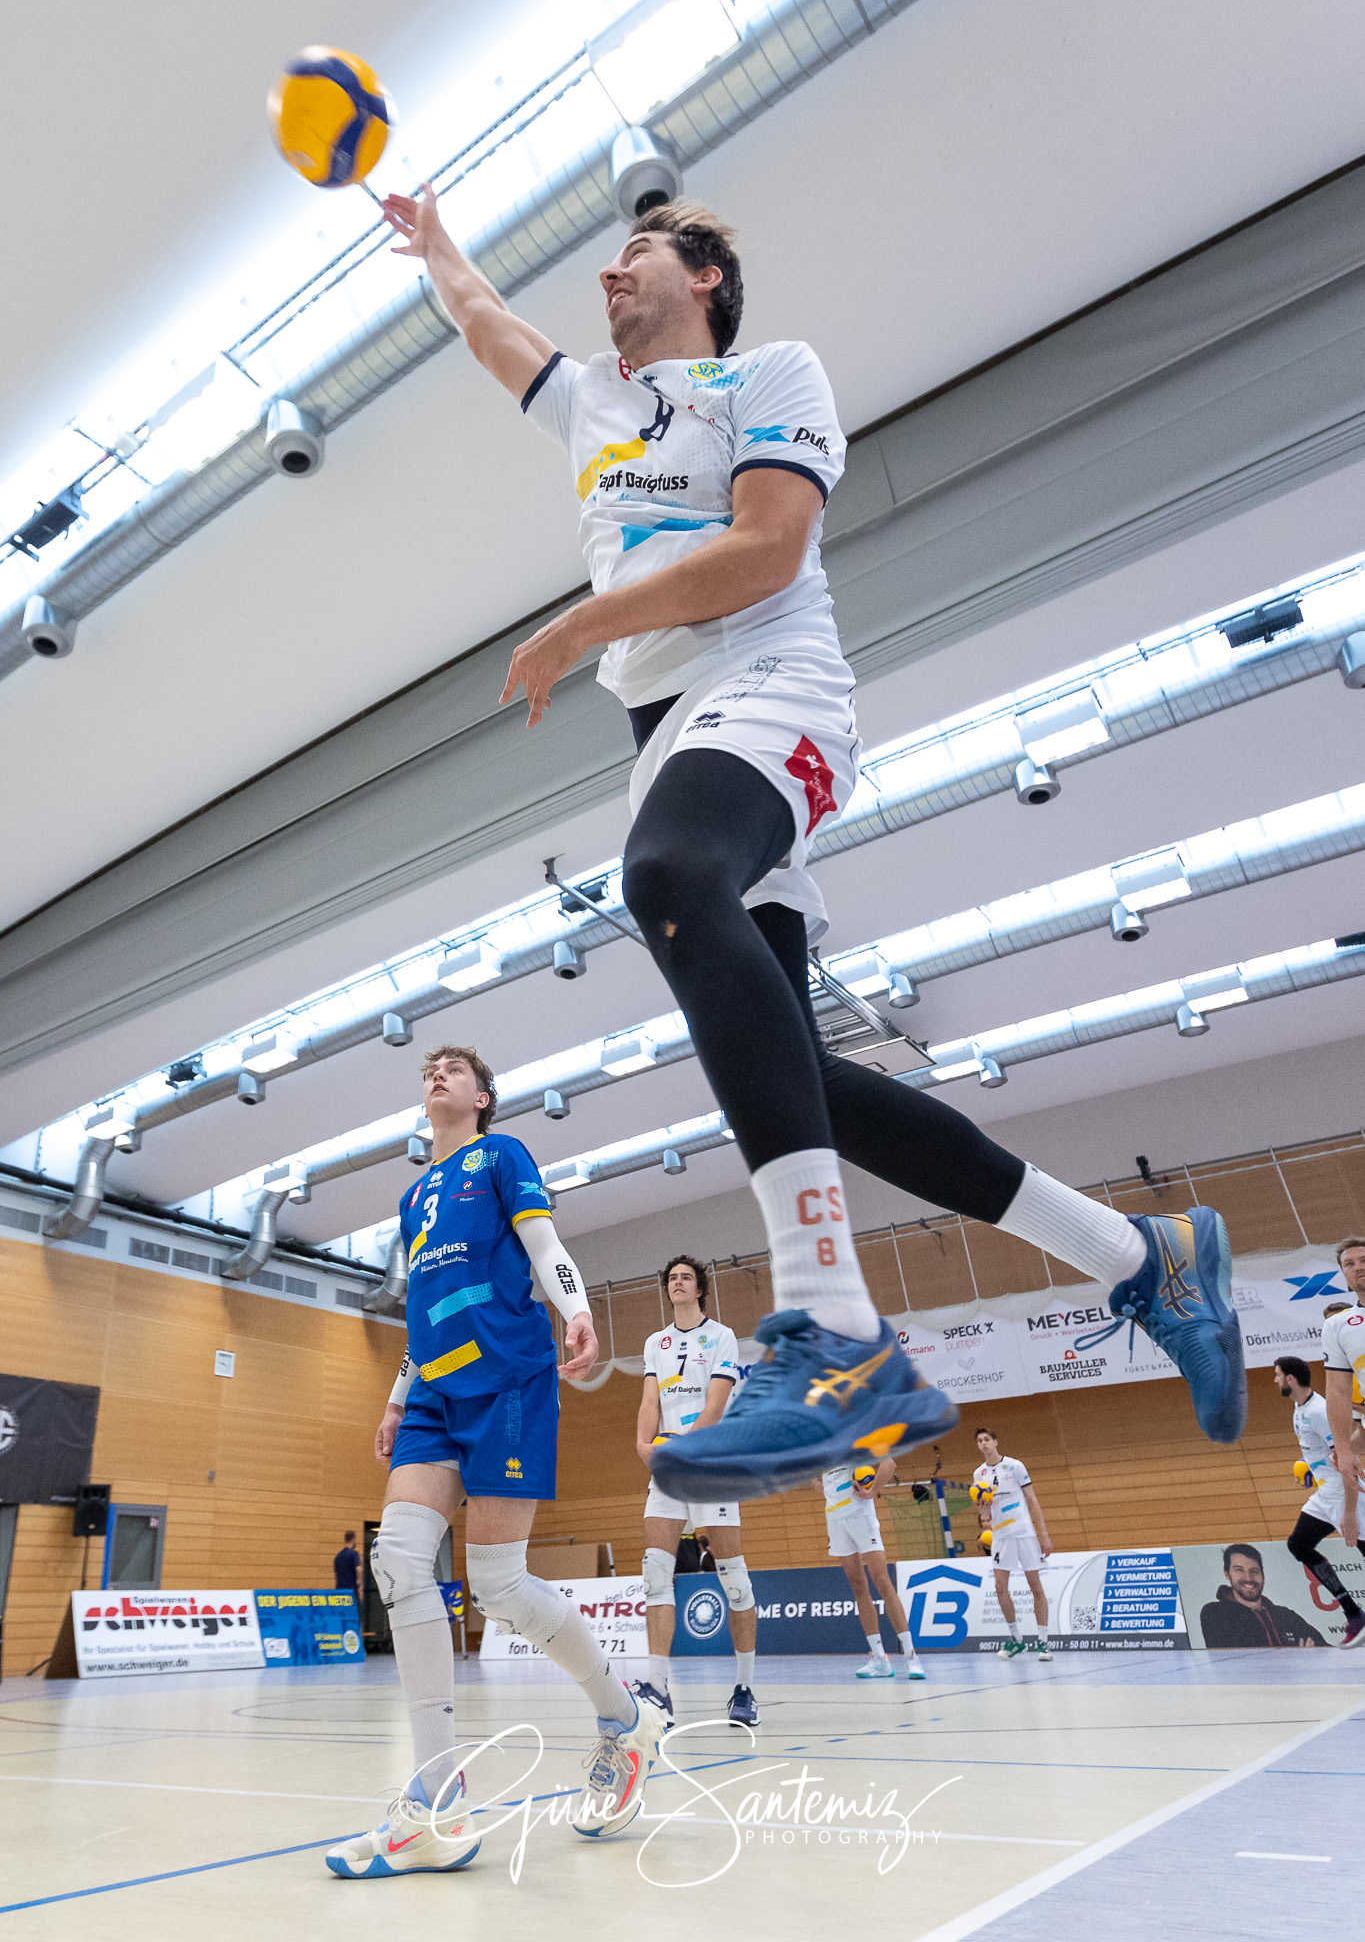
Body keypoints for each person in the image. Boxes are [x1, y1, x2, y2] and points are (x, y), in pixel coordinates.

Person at [380, 182, 1246, 1505]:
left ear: (708, 277)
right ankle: (1142, 1256)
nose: (608, 277)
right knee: (807, 1083)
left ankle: (836, 1328)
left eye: (635, 255)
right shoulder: (591, 409)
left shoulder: (768, 376)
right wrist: (434, 248)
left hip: (770, 679)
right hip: (666, 740)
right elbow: (490, 321)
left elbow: (766, 551)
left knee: (664, 878)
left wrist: (578, 625)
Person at [326, 1045, 666, 1880]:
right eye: (427, 1070)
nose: (434, 1077)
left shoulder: (501, 1155)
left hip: (508, 1378)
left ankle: (624, 1720)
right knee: (399, 1560)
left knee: (499, 1587)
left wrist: (576, 1310)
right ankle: (435, 1801)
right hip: (434, 1397)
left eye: (452, 1070)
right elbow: (422, 1307)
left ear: (481, 1097)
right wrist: (399, 1394)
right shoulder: (412, 1197)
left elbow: (542, 1241)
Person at [633, 1256, 758, 1728]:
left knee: (734, 1580)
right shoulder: (654, 1343)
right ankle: (658, 1688)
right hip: (668, 1468)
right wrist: (644, 1445)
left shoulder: (721, 1336)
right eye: (671, 1279)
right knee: (654, 1575)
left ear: (700, 1288)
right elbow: (651, 1400)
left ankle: (744, 1688)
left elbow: (717, 1401)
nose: (677, 1283)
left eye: (685, 1277)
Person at [1272, 1354, 1365, 1648]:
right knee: (1298, 1544)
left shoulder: (1320, 1411)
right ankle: (1354, 1614)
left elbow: (1347, 1461)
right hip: (1324, 1494)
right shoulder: (1300, 1410)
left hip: (1343, 1490)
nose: (1274, 1380)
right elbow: (1323, 1455)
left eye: (1277, 1375)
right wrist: (1308, 1466)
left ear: (1290, 1379)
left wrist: (1349, 1513)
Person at [820, 1457, 924, 1680]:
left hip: (861, 1515)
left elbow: (889, 1464)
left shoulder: (857, 1440)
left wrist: (872, 1490)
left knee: (882, 1581)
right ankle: (879, 1659)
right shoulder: (824, 1446)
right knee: (858, 1586)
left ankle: (911, 1656)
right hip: (835, 1519)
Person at [972, 1428, 1053, 1661]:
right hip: (1001, 1537)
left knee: (1035, 1586)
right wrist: (984, 1513)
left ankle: (1044, 1643)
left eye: (987, 1439)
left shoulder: (1015, 1466)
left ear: (996, 1442)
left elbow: (1032, 1500)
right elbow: (984, 1508)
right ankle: (1016, 1639)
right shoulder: (979, 1473)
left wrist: (1043, 1534)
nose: (984, 1443)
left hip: (1024, 1533)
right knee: (1000, 1588)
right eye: (980, 1441)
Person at [1199, 1543, 1324, 1648]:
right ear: (1227, 1574)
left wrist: (1312, 1657)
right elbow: (1229, 1662)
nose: (1248, 1578)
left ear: (1263, 1574)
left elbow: (1325, 1649)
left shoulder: (1285, 1615)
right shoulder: (1215, 1613)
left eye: (1254, 1571)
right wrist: (1297, 1659)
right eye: (1239, 1570)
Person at [1323, 1236, 1365, 1550]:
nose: (1358, 1267)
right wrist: (1344, 1448)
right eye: (1349, 1264)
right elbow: (1337, 1391)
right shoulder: (1339, 1326)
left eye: (1363, 1260)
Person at [333, 1529, 362, 1608]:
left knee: (342, 1613)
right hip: (351, 1590)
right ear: (353, 1539)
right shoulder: (354, 1554)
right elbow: (359, 1568)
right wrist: (359, 1581)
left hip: (340, 1591)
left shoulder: (338, 1556)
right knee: (356, 1615)